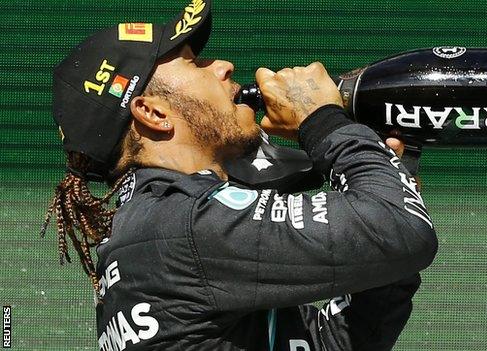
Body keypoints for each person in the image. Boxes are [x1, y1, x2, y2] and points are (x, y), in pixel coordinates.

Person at [41, 1, 438, 350]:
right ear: (154, 113)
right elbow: (401, 231)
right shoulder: (182, 226)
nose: (224, 65)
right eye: (194, 62)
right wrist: (323, 122)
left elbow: (329, 340)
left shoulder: (159, 224)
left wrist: (385, 176)